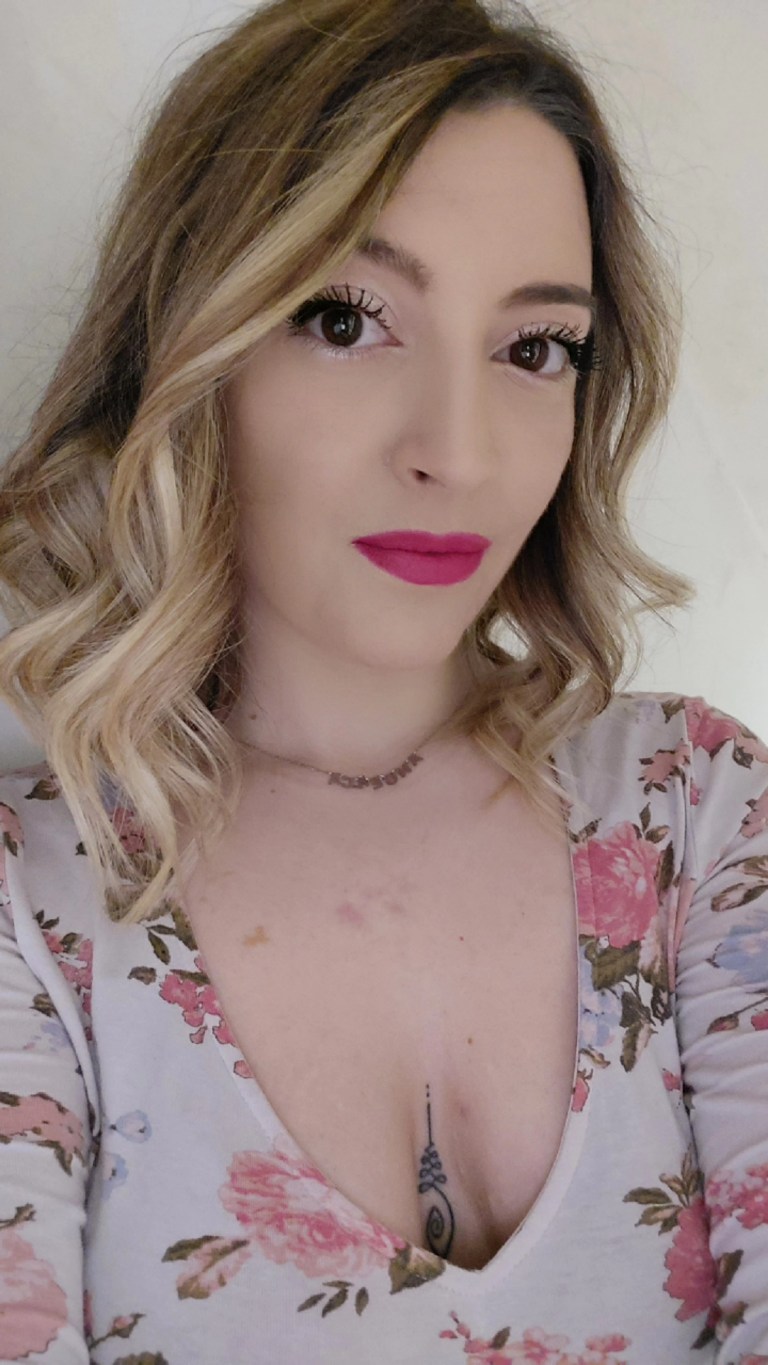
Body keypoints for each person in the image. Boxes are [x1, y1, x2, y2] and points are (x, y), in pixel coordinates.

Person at [0, 0, 766, 1360]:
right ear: (190, 345)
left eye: (536, 347)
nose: (457, 453)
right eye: (346, 317)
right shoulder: (31, 914)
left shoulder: (698, 814)